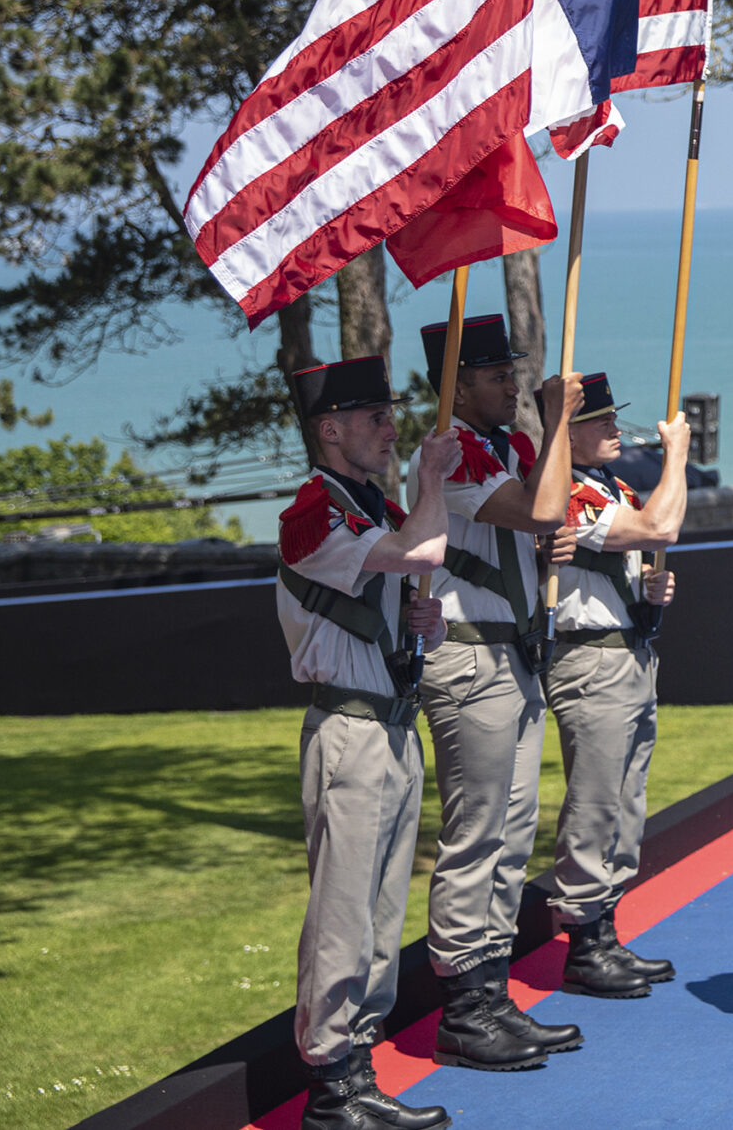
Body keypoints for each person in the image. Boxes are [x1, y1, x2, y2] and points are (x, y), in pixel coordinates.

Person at [275, 356, 453, 1130]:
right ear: (330, 428)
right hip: (348, 729)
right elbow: (424, 552)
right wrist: (434, 481)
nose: (390, 427)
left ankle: (360, 1069)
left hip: (391, 722)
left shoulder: (370, 507)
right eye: (374, 416)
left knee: (381, 913)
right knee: (343, 915)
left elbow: (412, 585)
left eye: (389, 414)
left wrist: (427, 624)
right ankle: (330, 1087)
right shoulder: (314, 511)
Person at [417, 316, 585, 1072]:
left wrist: (547, 535)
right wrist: (559, 425)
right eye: (494, 374)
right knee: (477, 833)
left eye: (511, 372)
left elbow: (544, 523)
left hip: (511, 654)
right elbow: (539, 507)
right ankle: (461, 1006)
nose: (513, 383)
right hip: (468, 656)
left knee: (512, 837)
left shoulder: (506, 449)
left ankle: (489, 990)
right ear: (454, 383)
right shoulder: (449, 454)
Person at [545, 373, 690, 999]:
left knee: (627, 800)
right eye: (598, 419)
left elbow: (657, 533)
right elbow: (659, 527)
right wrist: (677, 455)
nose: (613, 429)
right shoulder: (571, 495)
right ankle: (582, 940)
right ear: (567, 431)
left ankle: (604, 930)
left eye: (612, 418)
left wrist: (648, 594)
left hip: (629, 653)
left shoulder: (615, 487)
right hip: (590, 661)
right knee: (596, 800)